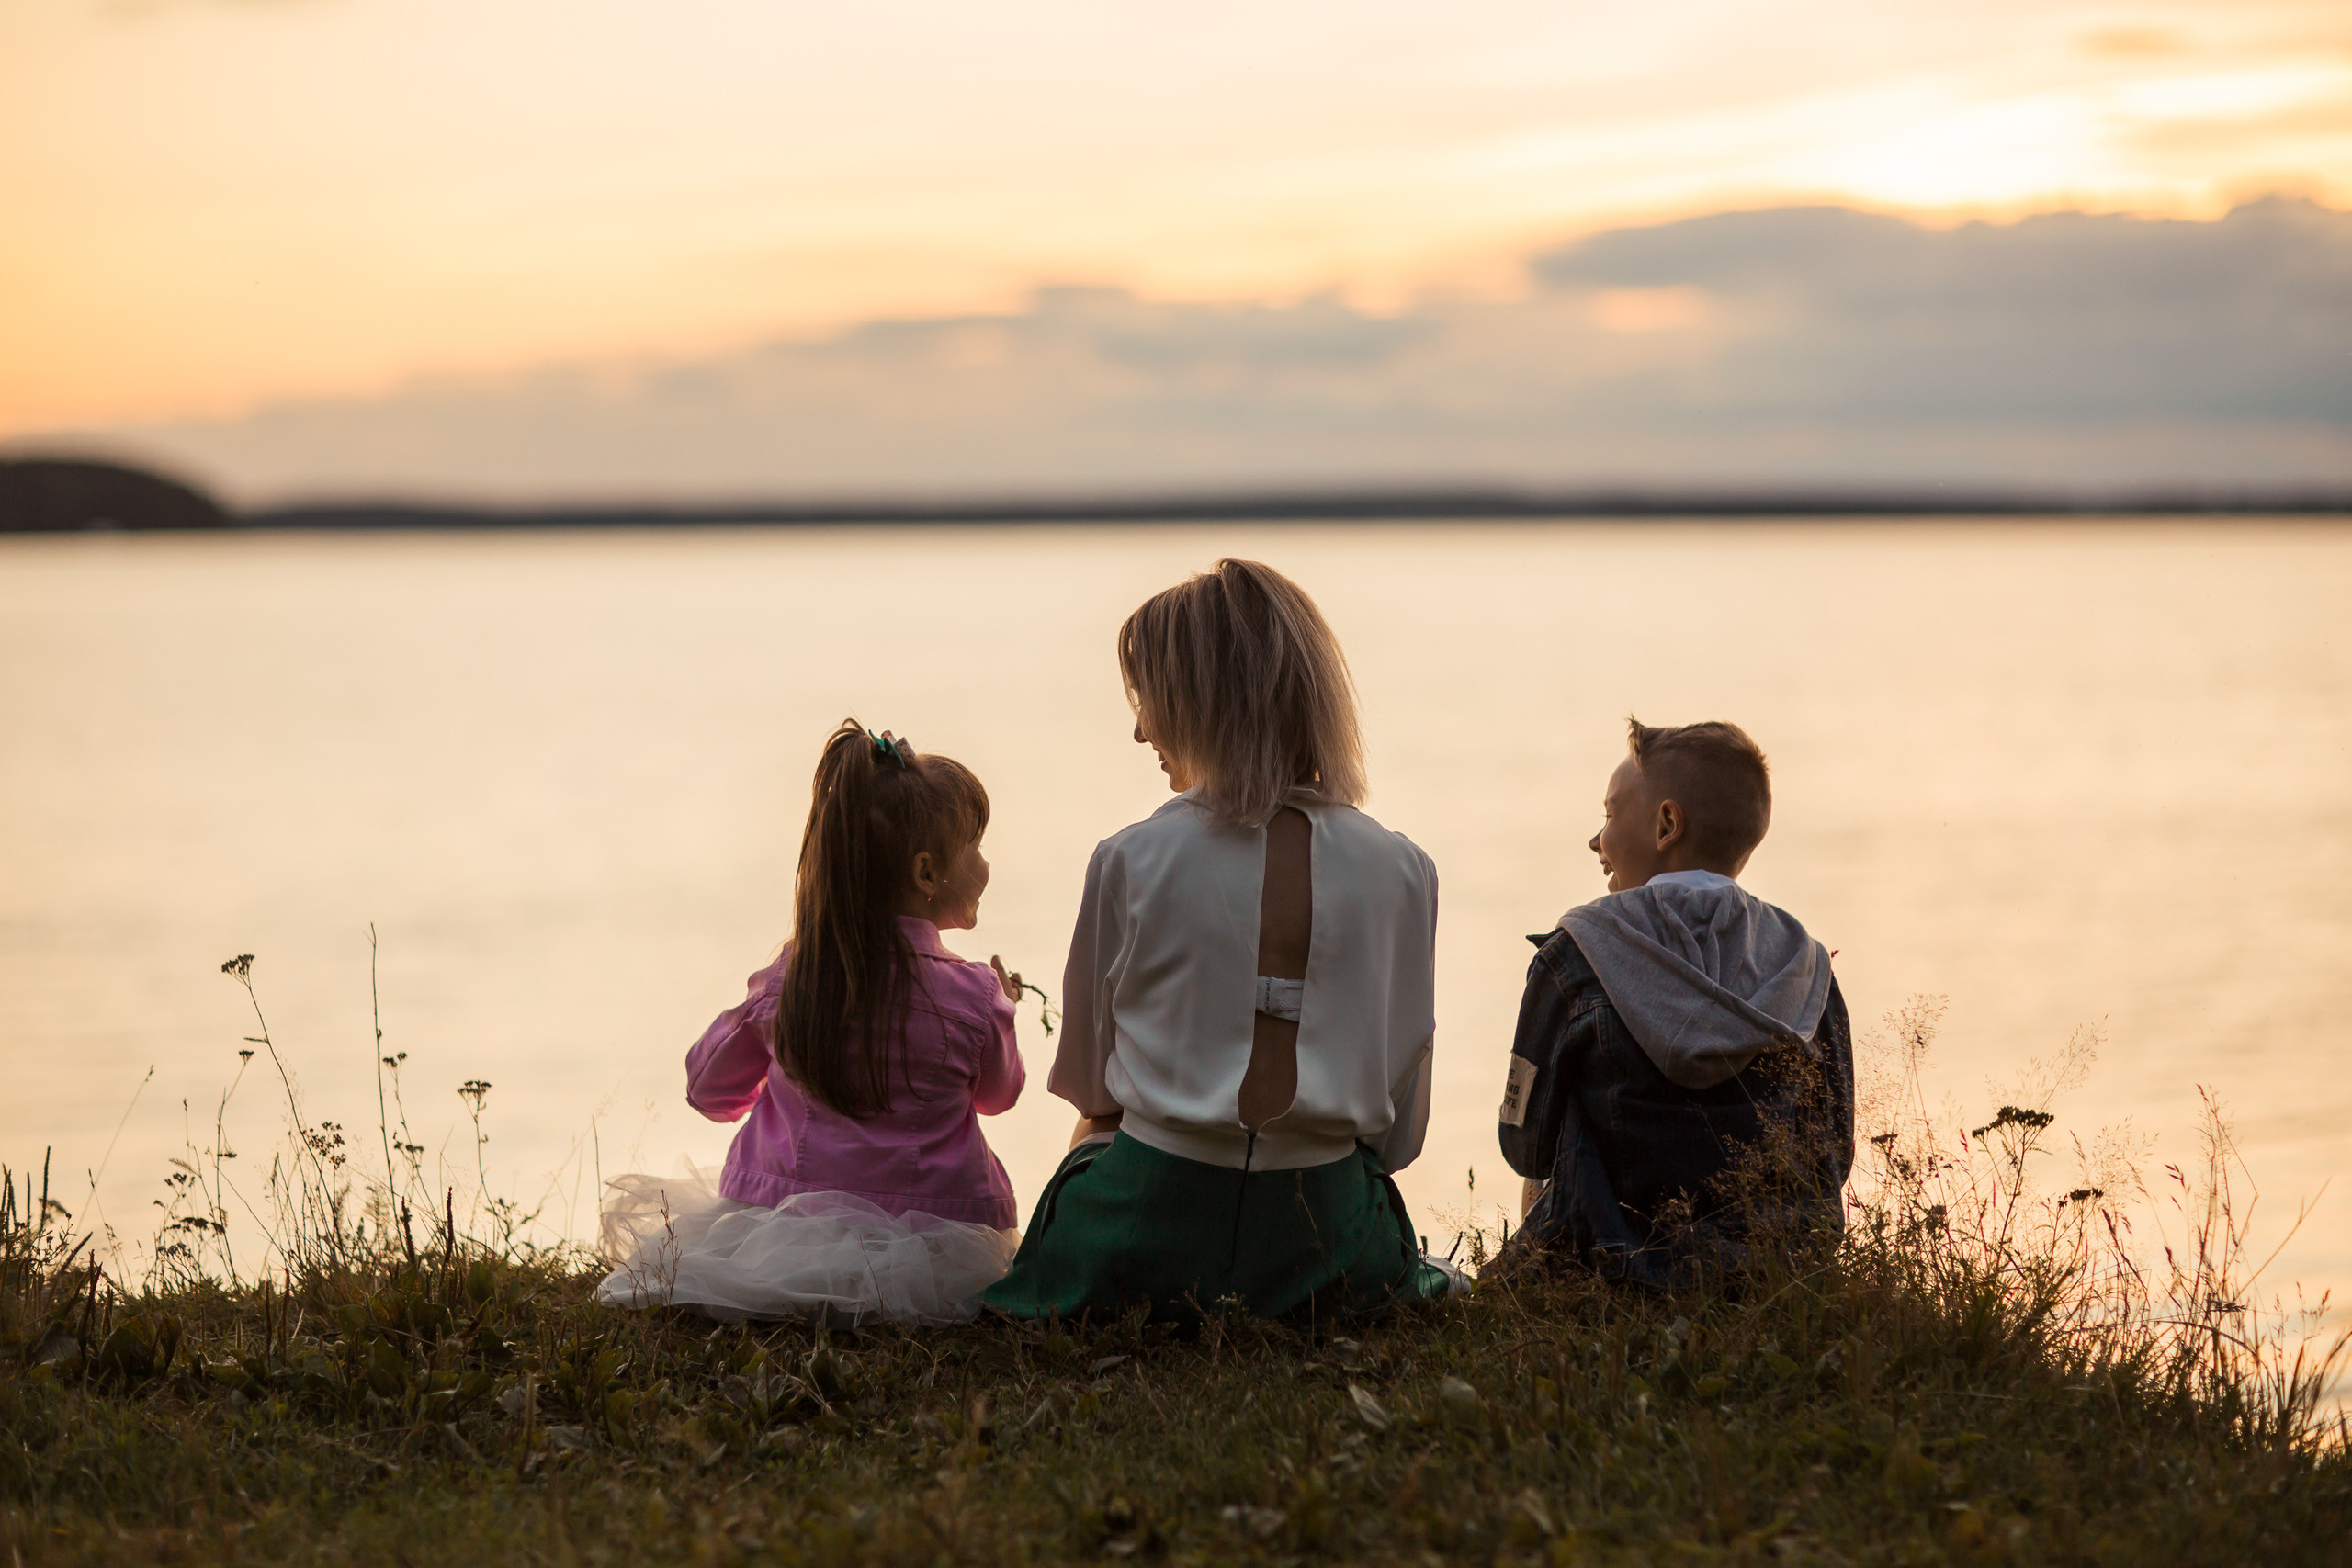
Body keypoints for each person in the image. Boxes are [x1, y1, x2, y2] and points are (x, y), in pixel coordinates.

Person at [982, 559, 1458, 1323]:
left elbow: (1095, 1093)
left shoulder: (1128, 859)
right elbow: (1400, 1138)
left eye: (1154, 701)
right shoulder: (1407, 872)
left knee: (1098, 1148)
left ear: (1208, 702)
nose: (1140, 730)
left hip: (1139, 1243)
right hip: (1328, 1245)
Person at [597, 720, 1027, 1325]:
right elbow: (998, 1095)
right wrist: (1003, 1011)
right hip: (934, 1248)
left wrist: (766, 1000)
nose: (986, 863)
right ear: (926, 874)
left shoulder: (797, 979)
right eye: (976, 848)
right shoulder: (976, 994)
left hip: (785, 1232)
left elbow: (709, 1091)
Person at [1489, 717, 1853, 1287]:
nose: (1596, 840)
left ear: (1666, 824)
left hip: (1613, 1275)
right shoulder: (1806, 968)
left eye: (1609, 816)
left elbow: (1525, 1146)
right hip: (1784, 1279)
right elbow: (1836, 1149)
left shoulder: (1575, 957)